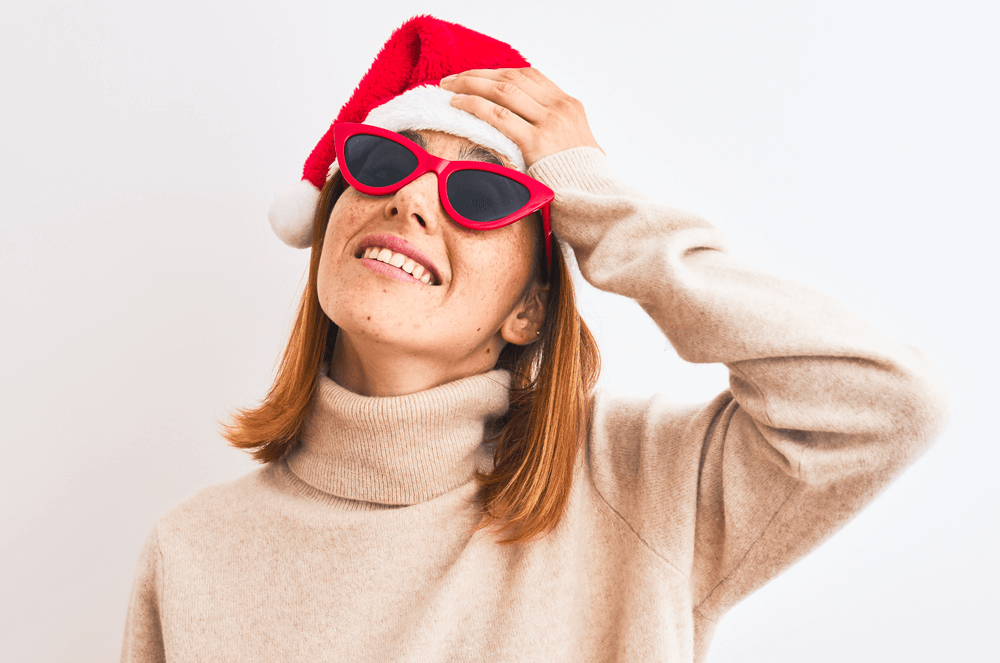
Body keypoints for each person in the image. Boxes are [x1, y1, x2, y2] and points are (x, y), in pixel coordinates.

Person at [120, 15, 949, 663]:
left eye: (479, 194)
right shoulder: (194, 551)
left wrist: (598, 203)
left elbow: (884, 403)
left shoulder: (639, 484)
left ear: (529, 311)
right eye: (380, 161)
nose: (411, 201)